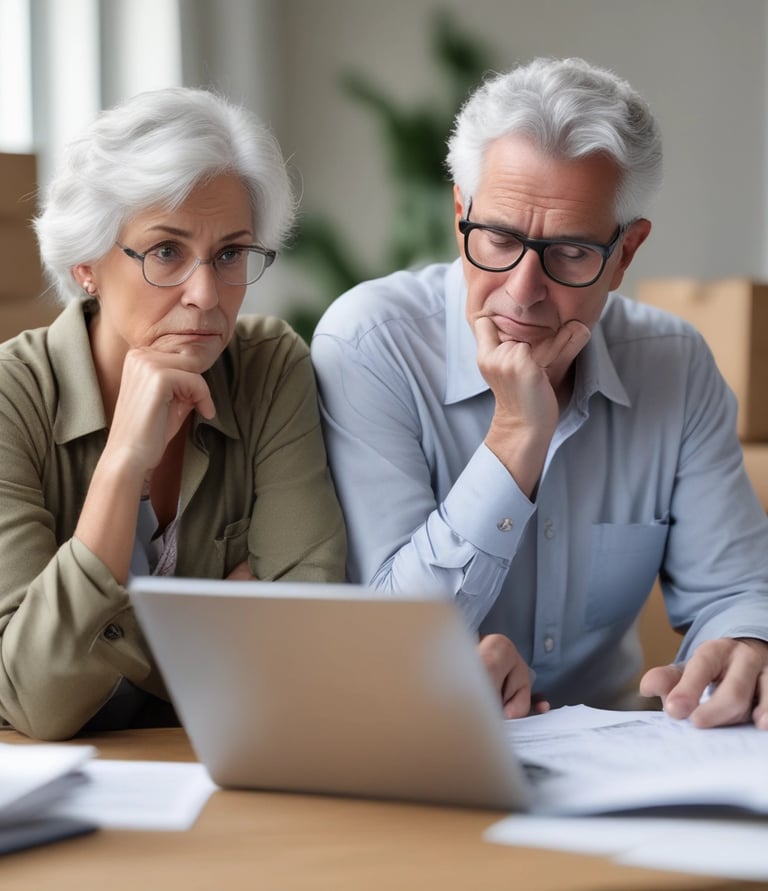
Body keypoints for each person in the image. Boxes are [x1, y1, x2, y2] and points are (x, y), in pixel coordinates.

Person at [311, 56, 768, 729]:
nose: (523, 289)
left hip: (618, 759)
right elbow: (390, 634)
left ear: (626, 254)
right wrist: (515, 439)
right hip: (421, 748)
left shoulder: (674, 364)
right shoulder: (370, 345)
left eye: (572, 252)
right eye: (497, 238)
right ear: (461, 214)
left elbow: (734, 590)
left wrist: (742, 643)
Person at [0, 87, 346, 740]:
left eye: (230, 253)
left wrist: (102, 640)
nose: (206, 294)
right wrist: (122, 462)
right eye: (166, 252)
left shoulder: (269, 367)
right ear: (86, 265)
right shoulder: (9, 398)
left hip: (218, 771)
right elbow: (36, 699)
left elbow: (304, 637)